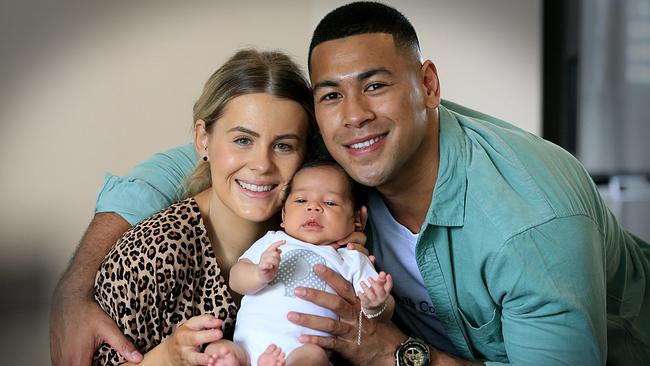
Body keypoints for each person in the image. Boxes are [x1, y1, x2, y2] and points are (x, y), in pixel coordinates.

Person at [51, 2, 650, 365]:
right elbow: (209, 158)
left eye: (376, 84)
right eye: (331, 95)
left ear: (429, 85)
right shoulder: (333, 147)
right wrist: (74, 292)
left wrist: (392, 353)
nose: (354, 113)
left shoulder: (531, 222)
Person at [86, 48, 363, 366]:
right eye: (243, 140)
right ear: (203, 139)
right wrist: (169, 357)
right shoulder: (153, 251)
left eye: (283, 145)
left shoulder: (318, 231)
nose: (261, 165)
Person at [203, 160, 394, 366]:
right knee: (219, 350)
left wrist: (376, 304)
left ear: (356, 219)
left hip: (300, 350)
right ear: (284, 215)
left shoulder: (352, 258)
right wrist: (258, 274)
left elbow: (385, 309)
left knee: (314, 356)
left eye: (330, 203)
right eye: (301, 200)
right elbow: (236, 279)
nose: (314, 208)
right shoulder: (272, 241)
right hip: (246, 348)